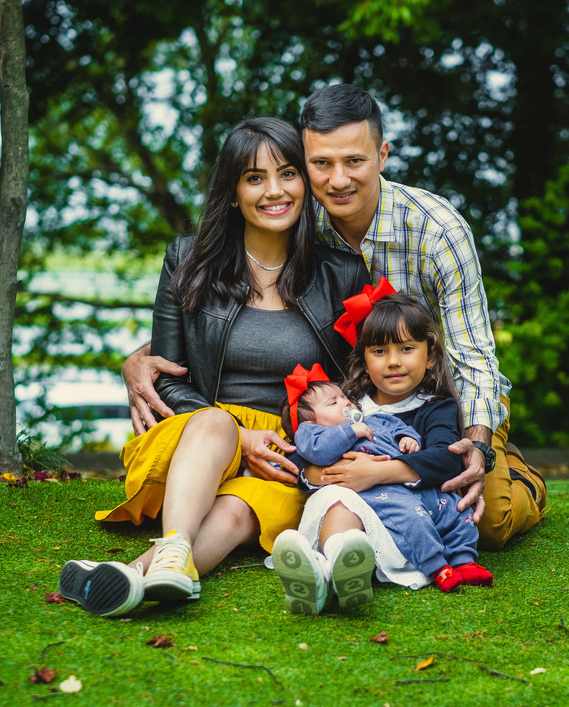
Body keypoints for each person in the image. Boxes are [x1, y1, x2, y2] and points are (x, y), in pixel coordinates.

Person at [124, 85, 546, 551]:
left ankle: (522, 478)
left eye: (354, 161)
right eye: (321, 163)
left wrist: (478, 443)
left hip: (442, 390)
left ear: (382, 156)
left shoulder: (437, 230)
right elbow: (222, 321)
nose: (338, 180)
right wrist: (142, 356)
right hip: (355, 406)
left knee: (485, 519)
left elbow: (473, 357)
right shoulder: (296, 213)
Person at [57, 116, 370, 617]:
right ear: (232, 193)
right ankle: (168, 551)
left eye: (288, 173)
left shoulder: (342, 272)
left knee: (238, 515)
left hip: (287, 452)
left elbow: (357, 379)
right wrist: (239, 438)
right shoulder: (187, 261)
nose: (274, 191)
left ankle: (134, 579)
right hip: (197, 433)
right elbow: (166, 375)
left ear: (305, 184)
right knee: (217, 424)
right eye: (254, 178)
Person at [272, 293, 492, 614]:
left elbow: (446, 458)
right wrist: (331, 475)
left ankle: (337, 571)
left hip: (408, 523)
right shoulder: (346, 405)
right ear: (364, 360)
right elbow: (299, 453)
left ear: (430, 356)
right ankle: (330, 568)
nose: (393, 361)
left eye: (406, 349)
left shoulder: (435, 407)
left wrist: (377, 473)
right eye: (379, 351)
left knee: (349, 502)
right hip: (353, 516)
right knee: (340, 501)